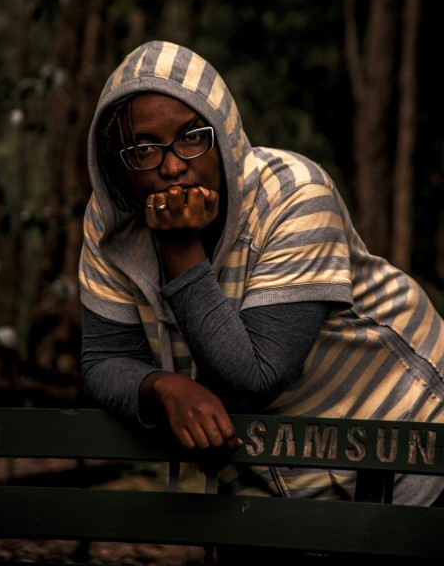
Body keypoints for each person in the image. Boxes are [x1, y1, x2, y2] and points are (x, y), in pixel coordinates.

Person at [79, 40, 444, 563]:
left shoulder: (294, 196)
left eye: (191, 138)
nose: (171, 166)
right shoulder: (110, 223)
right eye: (144, 148)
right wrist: (163, 387)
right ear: (118, 165)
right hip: (264, 478)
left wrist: (180, 249)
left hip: (404, 435)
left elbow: (254, 380)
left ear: (223, 134)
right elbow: (102, 359)